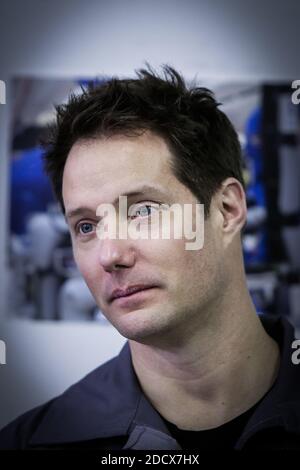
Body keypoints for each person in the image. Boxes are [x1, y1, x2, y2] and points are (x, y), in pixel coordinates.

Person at [0, 65, 299, 450]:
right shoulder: (34, 443)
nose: (110, 255)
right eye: (87, 227)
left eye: (142, 211)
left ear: (227, 209)